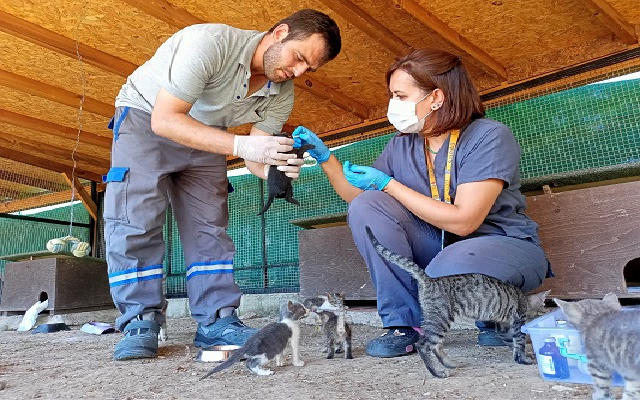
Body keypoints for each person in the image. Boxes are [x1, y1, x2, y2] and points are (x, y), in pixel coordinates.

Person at [103, 9, 341, 360]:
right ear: (279, 33)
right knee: (136, 219)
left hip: (207, 133)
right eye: (300, 58)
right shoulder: (210, 43)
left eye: (310, 69)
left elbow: (254, 159)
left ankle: (217, 320)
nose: (300, 72)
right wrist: (243, 144)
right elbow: (166, 119)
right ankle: (141, 320)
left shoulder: (282, 93)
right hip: (146, 116)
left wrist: (275, 169)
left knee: (209, 225)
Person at [293, 48, 553, 358]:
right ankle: (406, 325)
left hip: (501, 246)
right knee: (367, 207)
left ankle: (499, 315)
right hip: (439, 249)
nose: (393, 105)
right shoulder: (403, 143)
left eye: (401, 96)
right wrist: (325, 158)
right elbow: (358, 197)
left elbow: (465, 221)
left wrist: (389, 184)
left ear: (436, 98)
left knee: (447, 269)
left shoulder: (488, 136)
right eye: (392, 96)